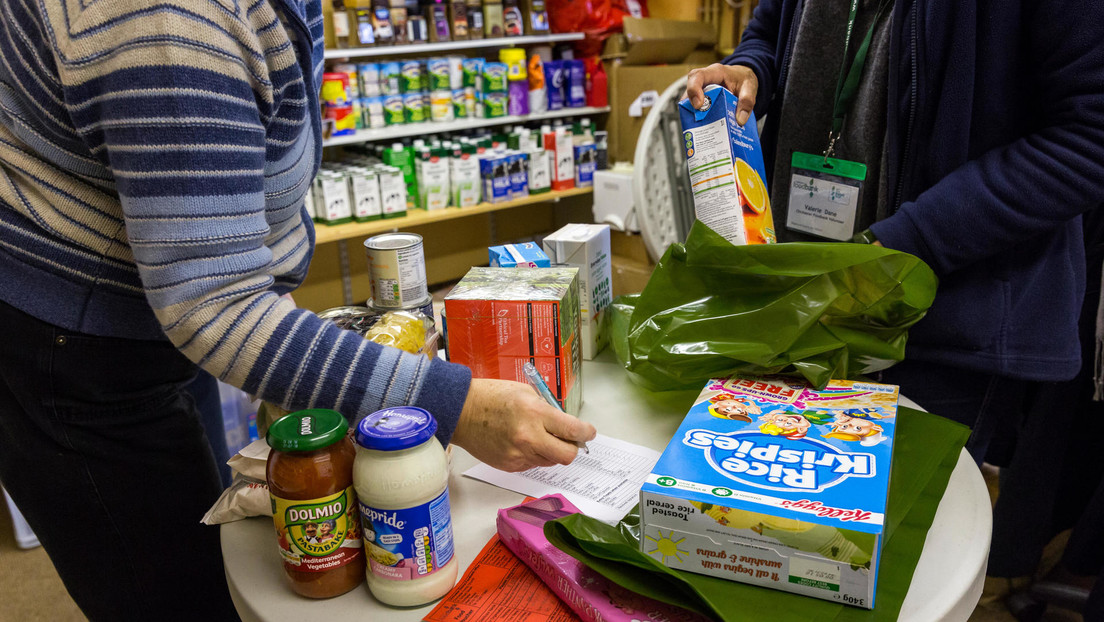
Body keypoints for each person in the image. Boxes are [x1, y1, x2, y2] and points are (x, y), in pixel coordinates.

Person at [0, 2, 595, 621]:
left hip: (155, 307)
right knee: (176, 589)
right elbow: (212, 305)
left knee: (206, 509)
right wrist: (458, 406)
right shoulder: (171, 22)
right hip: (71, 344)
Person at [684, 0, 1104, 611]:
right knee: (773, 532)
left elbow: (1088, 137)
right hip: (801, 291)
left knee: (885, 571)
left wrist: (911, 242)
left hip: (937, 314)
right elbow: (773, 24)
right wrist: (752, 68)